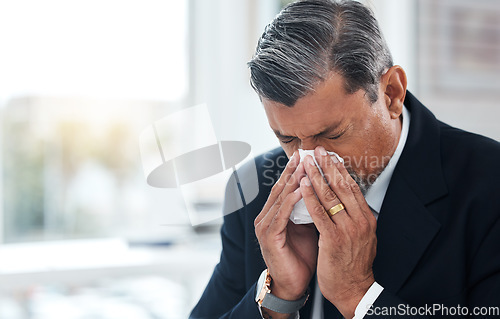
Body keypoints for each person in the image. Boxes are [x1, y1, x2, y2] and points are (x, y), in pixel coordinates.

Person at [190, 0, 500, 318]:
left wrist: (359, 297)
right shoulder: (251, 189)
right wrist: (278, 297)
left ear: (392, 93)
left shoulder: (489, 184)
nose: (308, 162)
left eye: (333, 135)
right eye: (288, 139)